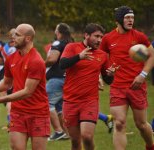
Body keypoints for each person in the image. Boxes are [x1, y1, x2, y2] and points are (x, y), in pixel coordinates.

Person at [0, 23, 50, 150]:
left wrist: (1, 99)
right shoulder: (11, 59)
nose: (13, 37)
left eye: (17, 35)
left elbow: (28, 91)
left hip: (38, 113)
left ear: (27, 38)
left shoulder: (36, 61)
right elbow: (7, 83)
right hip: (17, 112)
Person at [100, 6, 154, 150]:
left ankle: (150, 146)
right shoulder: (108, 38)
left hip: (137, 86)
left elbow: (151, 56)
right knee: (119, 123)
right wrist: (105, 72)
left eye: (132, 18)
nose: (131, 20)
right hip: (117, 87)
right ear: (118, 20)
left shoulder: (139, 37)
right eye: (127, 18)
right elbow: (100, 59)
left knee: (141, 125)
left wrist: (143, 75)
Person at [59, 23, 118, 150]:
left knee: (87, 136)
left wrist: (110, 74)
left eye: (101, 37)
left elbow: (108, 80)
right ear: (86, 35)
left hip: (89, 101)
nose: (99, 40)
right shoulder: (72, 47)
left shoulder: (102, 55)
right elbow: (62, 64)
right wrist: (79, 57)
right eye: (96, 36)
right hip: (70, 101)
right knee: (75, 141)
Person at [45, 23, 73, 141]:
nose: (55, 32)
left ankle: (58, 131)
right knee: (59, 107)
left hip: (56, 79)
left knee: (46, 103)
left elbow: (52, 59)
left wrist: (40, 65)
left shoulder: (57, 43)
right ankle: (67, 133)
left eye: (56, 30)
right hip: (66, 78)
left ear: (59, 32)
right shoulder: (70, 44)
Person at [0, 28, 17, 130]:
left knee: (10, 99)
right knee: (12, 100)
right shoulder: (18, 47)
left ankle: (11, 122)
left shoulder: (3, 48)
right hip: (16, 75)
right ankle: (11, 123)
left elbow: (1, 62)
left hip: (9, 74)